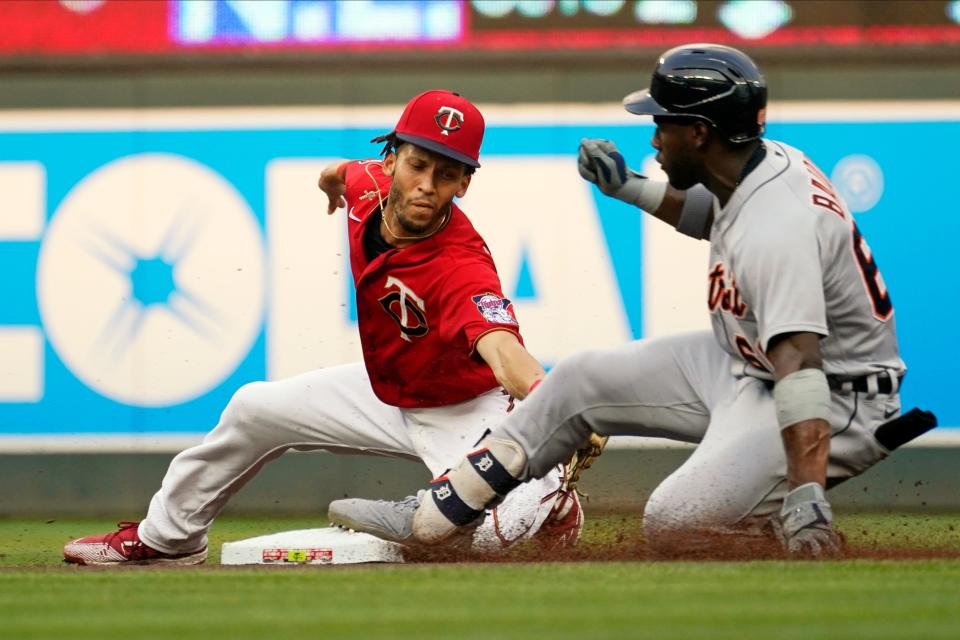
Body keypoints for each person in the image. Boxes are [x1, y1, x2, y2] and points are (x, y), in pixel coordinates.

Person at [409, 45, 936, 557]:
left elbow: (800, 365)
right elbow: (713, 213)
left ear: (700, 133)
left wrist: (807, 493)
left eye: (663, 123)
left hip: (836, 399)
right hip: (746, 363)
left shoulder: (778, 227)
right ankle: (449, 506)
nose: (656, 137)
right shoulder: (756, 164)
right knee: (580, 378)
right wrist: (629, 187)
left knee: (676, 524)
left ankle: (788, 527)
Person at [63, 90, 586, 565]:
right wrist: (331, 185)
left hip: (466, 409)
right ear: (391, 158)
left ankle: (551, 498)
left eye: (446, 174)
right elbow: (339, 172)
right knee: (254, 408)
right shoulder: (367, 187)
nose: (426, 186)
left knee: (483, 539)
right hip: (390, 392)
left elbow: (503, 350)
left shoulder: (461, 266)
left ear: (465, 183)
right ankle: (166, 540)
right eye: (417, 165)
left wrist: (557, 403)